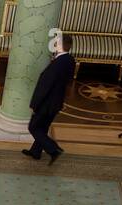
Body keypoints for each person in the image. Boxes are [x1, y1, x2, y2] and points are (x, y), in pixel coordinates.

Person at [23, 33, 76, 163]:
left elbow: (45, 86)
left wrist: (35, 103)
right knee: (43, 128)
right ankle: (36, 152)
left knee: (33, 128)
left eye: (56, 43)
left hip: (47, 103)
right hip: (56, 102)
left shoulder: (58, 63)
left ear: (60, 45)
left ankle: (53, 149)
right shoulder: (69, 60)